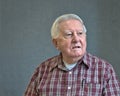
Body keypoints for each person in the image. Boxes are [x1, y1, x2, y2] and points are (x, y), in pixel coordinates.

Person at [24, 14, 120, 96]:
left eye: (80, 33)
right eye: (69, 34)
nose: (76, 39)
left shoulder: (104, 70)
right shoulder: (42, 71)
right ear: (56, 43)